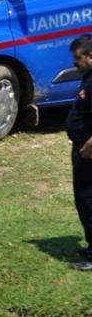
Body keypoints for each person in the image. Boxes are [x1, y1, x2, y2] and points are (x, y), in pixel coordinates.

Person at [64, 36, 92, 270]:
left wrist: (89, 147)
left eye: (78, 59)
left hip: (88, 152)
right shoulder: (88, 78)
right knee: (83, 200)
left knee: (88, 200)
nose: (75, 63)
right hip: (82, 149)